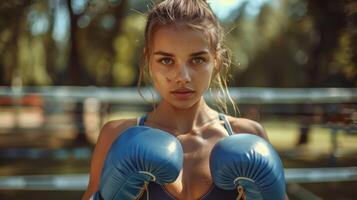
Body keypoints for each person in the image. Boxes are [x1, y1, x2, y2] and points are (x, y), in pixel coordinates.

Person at [82, 0, 288, 199]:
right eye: (166, 60)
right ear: (148, 61)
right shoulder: (116, 135)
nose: (183, 77)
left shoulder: (247, 134)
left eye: (197, 59)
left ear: (216, 62)